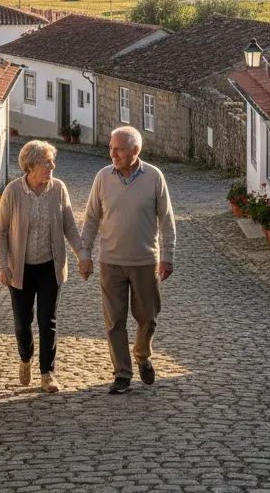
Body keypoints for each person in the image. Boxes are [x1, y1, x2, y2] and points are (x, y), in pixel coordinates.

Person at [79, 125, 176, 395]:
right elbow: (91, 219)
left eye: (119, 149)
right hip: (111, 261)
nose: (113, 153)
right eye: (111, 148)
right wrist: (85, 253)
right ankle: (122, 372)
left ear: (136, 150)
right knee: (114, 321)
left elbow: (166, 220)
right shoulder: (102, 177)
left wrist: (167, 256)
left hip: (145, 260)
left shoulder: (154, 177)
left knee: (148, 317)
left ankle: (142, 353)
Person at [0, 140, 82, 393]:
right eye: (47, 162)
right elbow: (0, 231)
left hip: (49, 266)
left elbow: (69, 226)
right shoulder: (13, 192)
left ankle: (47, 373)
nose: (52, 166)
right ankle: (25, 357)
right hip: (19, 268)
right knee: (23, 322)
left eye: (52, 161)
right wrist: (3, 266)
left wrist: (82, 255)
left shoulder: (58, 189)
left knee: (47, 320)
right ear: (31, 166)